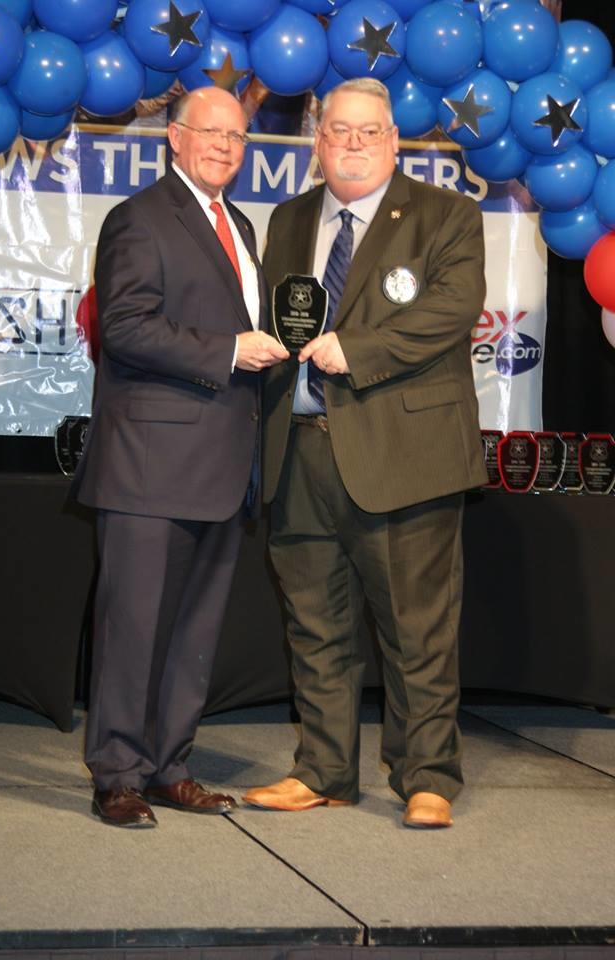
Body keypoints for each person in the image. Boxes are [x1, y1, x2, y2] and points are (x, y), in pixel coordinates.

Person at [243, 78, 487, 828]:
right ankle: (322, 769)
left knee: (418, 628)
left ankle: (427, 777)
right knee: (315, 626)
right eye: (337, 131)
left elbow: (451, 311)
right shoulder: (286, 219)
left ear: (394, 140)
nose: (351, 143)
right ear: (318, 141)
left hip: (404, 456)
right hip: (301, 454)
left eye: (367, 132)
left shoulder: (447, 215)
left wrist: (361, 348)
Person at [72, 87, 289, 828]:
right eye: (211, 133)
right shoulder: (137, 218)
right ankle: (117, 773)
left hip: (225, 467)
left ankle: (169, 765)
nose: (225, 147)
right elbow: (127, 327)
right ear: (175, 137)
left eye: (237, 136)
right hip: (150, 467)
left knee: (194, 632)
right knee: (134, 626)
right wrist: (229, 350)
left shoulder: (242, 228)